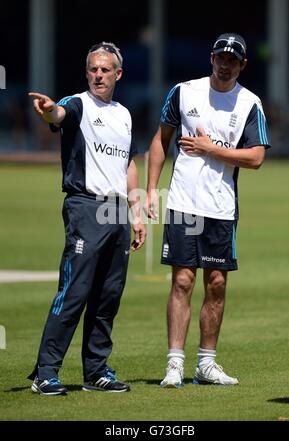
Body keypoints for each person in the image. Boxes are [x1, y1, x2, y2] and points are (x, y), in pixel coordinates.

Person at [145, 33, 270, 388]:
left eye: (233, 59)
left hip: (221, 208)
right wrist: (151, 190)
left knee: (215, 284)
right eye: (221, 57)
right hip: (183, 202)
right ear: (211, 58)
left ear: (242, 65)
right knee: (182, 280)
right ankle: (174, 363)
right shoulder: (184, 92)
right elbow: (160, 140)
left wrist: (210, 149)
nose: (225, 63)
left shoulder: (250, 103)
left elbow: (257, 157)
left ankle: (206, 363)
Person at [28, 42, 146, 395]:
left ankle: (96, 371)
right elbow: (58, 116)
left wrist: (137, 214)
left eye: (105, 69)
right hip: (85, 206)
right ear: (87, 73)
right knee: (75, 291)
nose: (98, 74)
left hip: (118, 211)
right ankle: (45, 373)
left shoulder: (124, 114)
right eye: (93, 69)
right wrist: (49, 110)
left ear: (117, 74)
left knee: (108, 295)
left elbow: (129, 163)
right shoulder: (77, 103)